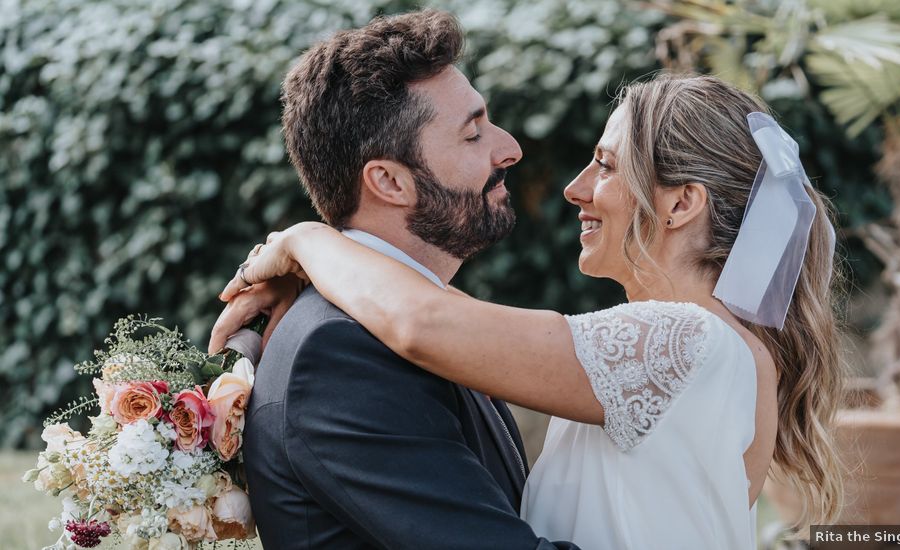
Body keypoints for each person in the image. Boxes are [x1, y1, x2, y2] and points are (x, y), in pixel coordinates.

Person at [213, 73, 848, 549]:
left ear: (681, 204)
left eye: (603, 165)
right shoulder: (717, 350)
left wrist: (306, 240)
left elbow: (424, 323)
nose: (575, 189)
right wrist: (323, 271)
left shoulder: (686, 342)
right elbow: (432, 307)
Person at [215, 9, 579, 550]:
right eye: (473, 133)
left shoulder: (419, 319)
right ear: (389, 181)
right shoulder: (338, 354)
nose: (509, 148)